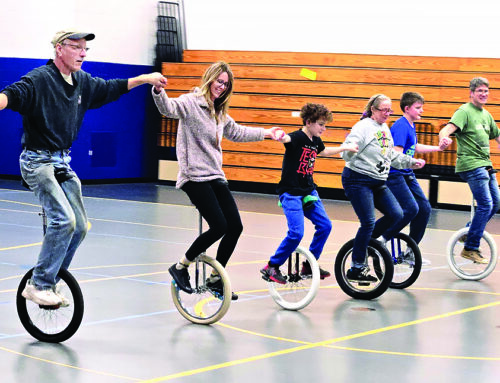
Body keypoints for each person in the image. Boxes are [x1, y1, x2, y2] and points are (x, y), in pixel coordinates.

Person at [0, 30, 167, 306]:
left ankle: (50, 279)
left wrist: (145, 79)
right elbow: (12, 95)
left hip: (62, 162)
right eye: (76, 47)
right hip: (37, 161)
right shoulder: (40, 79)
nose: (82, 53)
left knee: (79, 227)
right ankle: (39, 284)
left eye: (85, 49)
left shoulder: (82, 82)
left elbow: (111, 87)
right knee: (63, 220)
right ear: (58, 49)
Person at [152, 61, 284, 300]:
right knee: (219, 226)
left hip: (215, 175)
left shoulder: (219, 111)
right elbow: (168, 108)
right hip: (193, 176)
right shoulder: (191, 103)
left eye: (225, 84)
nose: (221, 87)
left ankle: (215, 279)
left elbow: (238, 132)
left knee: (235, 226)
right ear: (209, 79)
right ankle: (181, 266)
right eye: (219, 81)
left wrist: (267, 132)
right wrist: (158, 91)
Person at [260, 103, 358, 284]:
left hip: (308, 191)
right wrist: (280, 136)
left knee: (325, 226)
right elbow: (286, 140)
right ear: (309, 122)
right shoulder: (297, 137)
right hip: (291, 193)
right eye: (321, 124)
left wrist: (345, 148)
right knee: (296, 233)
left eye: (325, 125)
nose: (324, 128)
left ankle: (308, 265)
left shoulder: (315, 140)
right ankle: (272, 266)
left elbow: (325, 151)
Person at [341, 94, 425, 283]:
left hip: (377, 181)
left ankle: (370, 244)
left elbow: (393, 156)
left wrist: (412, 162)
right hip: (357, 180)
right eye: (384, 110)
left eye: (390, 110)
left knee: (397, 214)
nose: (387, 113)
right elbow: (346, 154)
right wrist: (349, 149)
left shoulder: (384, 128)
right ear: (373, 109)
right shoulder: (362, 127)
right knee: (368, 222)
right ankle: (356, 266)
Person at [439, 77, 500, 264]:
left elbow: (497, 136)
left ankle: (469, 232)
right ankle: (471, 248)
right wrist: (444, 139)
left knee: (495, 203)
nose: (484, 94)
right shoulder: (464, 111)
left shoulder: (486, 115)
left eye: (486, 91)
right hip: (471, 164)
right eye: (480, 91)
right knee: (485, 204)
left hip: (485, 164)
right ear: (471, 93)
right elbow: (446, 129)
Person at [387, 92, 452, 265]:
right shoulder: (400, 126)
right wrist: (413, 161)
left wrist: (438, 149)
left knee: (424, 209)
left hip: (407, 173)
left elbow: (414, 146)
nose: (422, 110)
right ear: (407, 108)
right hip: (396, 174)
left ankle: (410, 251)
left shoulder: (410, 125)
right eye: (418, 107)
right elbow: (397, 153)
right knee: (410, 209)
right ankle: (382, 238)